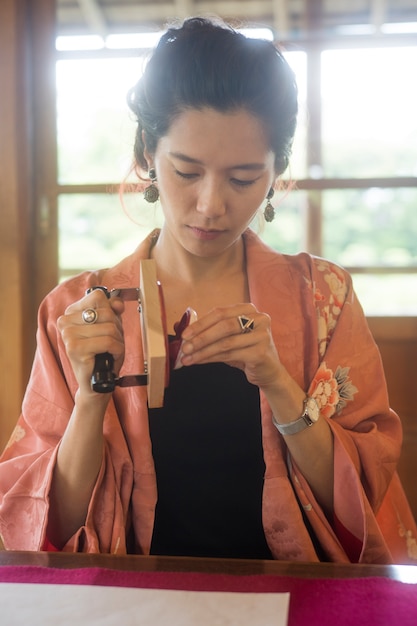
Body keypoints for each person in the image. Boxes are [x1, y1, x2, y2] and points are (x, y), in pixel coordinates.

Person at [0, 16, 416, 563]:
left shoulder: (324, 296)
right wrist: (91, 397)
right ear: (148, 152)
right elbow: (47, 523)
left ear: (277, 171)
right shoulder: (77, 311)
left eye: (243, 178)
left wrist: (278, 381)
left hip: (290, 594)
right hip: (136, 600)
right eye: (187, 171)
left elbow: (363, 492)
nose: (211, 205)